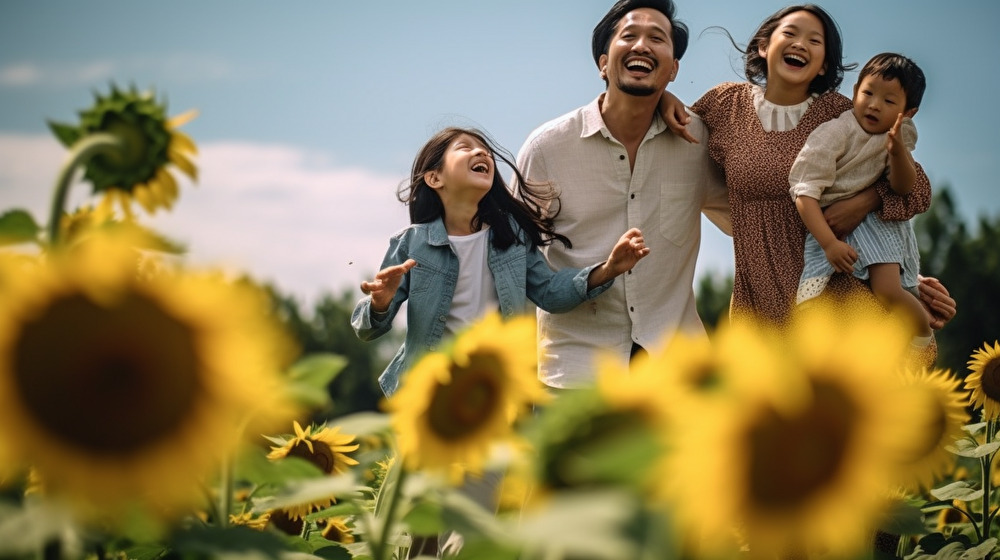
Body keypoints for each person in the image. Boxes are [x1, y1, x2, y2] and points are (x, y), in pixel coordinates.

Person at [657, 5, 955, 343]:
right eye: (790, 33)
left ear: (824, 63)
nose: (801, 44)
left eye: (815, 40)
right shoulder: (725, 104)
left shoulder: (842, 114)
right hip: (757, 300)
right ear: (763, 46)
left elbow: (918, 190)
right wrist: (664, 97)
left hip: (837, 295)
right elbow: (674, 127)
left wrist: (863, 203)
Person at [515, 0, 731, 389]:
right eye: (628, 35)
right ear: (602, 62)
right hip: (574, 372)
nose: (642, 46)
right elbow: (512, 261)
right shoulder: (547, 148)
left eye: (657, 38)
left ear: (674, 69)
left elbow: (751, 212)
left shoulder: (698, 142)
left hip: (676, 370)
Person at [351, 126, 649, 397]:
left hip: (498, 393)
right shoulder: (410, 244)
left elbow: (549, 292)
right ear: (434, 177)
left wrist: (608, 269)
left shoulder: (513, 237)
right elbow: (367, 330)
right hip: (431, 397)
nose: (482, 152)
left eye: (485, 150)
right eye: (465, 147)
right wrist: (380, 303)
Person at [789, 52, 931, 347]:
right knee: (811, 297)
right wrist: (829, 243)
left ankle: (922, 338)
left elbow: (905, 187)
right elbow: (804, 191)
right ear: (855, 91)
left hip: (878, 223)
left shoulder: (899, 135)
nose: (875, 105)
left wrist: (898, 153)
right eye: (868, 93)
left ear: (908, 113)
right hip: (829, 221)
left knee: (888, 291)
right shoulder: (836, 132)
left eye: (889, 101)